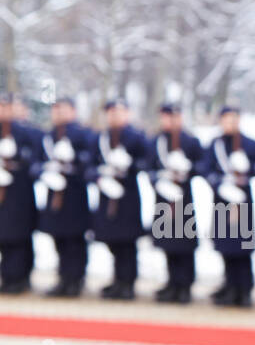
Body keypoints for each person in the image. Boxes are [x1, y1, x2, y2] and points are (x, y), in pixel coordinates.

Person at [199, 106, 255, 307]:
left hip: (243, 201)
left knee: (243, 246)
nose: (231, 123)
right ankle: (230, 285)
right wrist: (219, 183)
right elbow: (204, 168)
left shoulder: (250, 144)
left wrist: (249, 169)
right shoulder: (215, 144)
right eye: (227, 119)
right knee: (226, 245)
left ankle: (245, 289)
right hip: (223, 201)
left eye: (234, 119)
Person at [89, 99, 150, 300]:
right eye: (111, 112)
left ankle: (128, 282)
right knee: (112, 241)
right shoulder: (101, 138)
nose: (114, 116)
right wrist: (99, 176)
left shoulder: (136, 137)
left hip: (128, 197)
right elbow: (88, 165)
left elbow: (147, 162)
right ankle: (117, 280)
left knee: (127, 243)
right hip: (107, 195)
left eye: (119, 112)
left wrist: (130, 165)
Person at [35, 98, 95, 298]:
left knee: (75, 240)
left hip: (74, 194)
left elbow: (90, 160)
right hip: (54, 194)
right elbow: (36, 162)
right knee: (58, 238)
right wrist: (45, 169)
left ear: (73, 111)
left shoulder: (82, 134)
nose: (58, 114)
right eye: (55, 110)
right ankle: (63, 278)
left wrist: (75, 160)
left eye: (62, 110)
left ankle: (76, 279)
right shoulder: (49, 136)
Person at [149, 103, 204, 304]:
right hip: (164, 197)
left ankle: (185, 285)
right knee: (168, 242)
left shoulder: (189, 141)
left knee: (185, 243)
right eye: (166, 117)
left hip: (183, 199)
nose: (170, 121)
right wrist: (158, 180)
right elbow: (148, 167)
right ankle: (172, 282)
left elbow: (202, 165)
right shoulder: (156, 141)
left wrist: (187, 168)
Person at [0, 94, 40, 294]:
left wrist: (18, 159)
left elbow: (37, 158)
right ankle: (6, 276)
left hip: (19, 192)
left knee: (18, 236)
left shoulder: (26, 133)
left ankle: (19, 277)